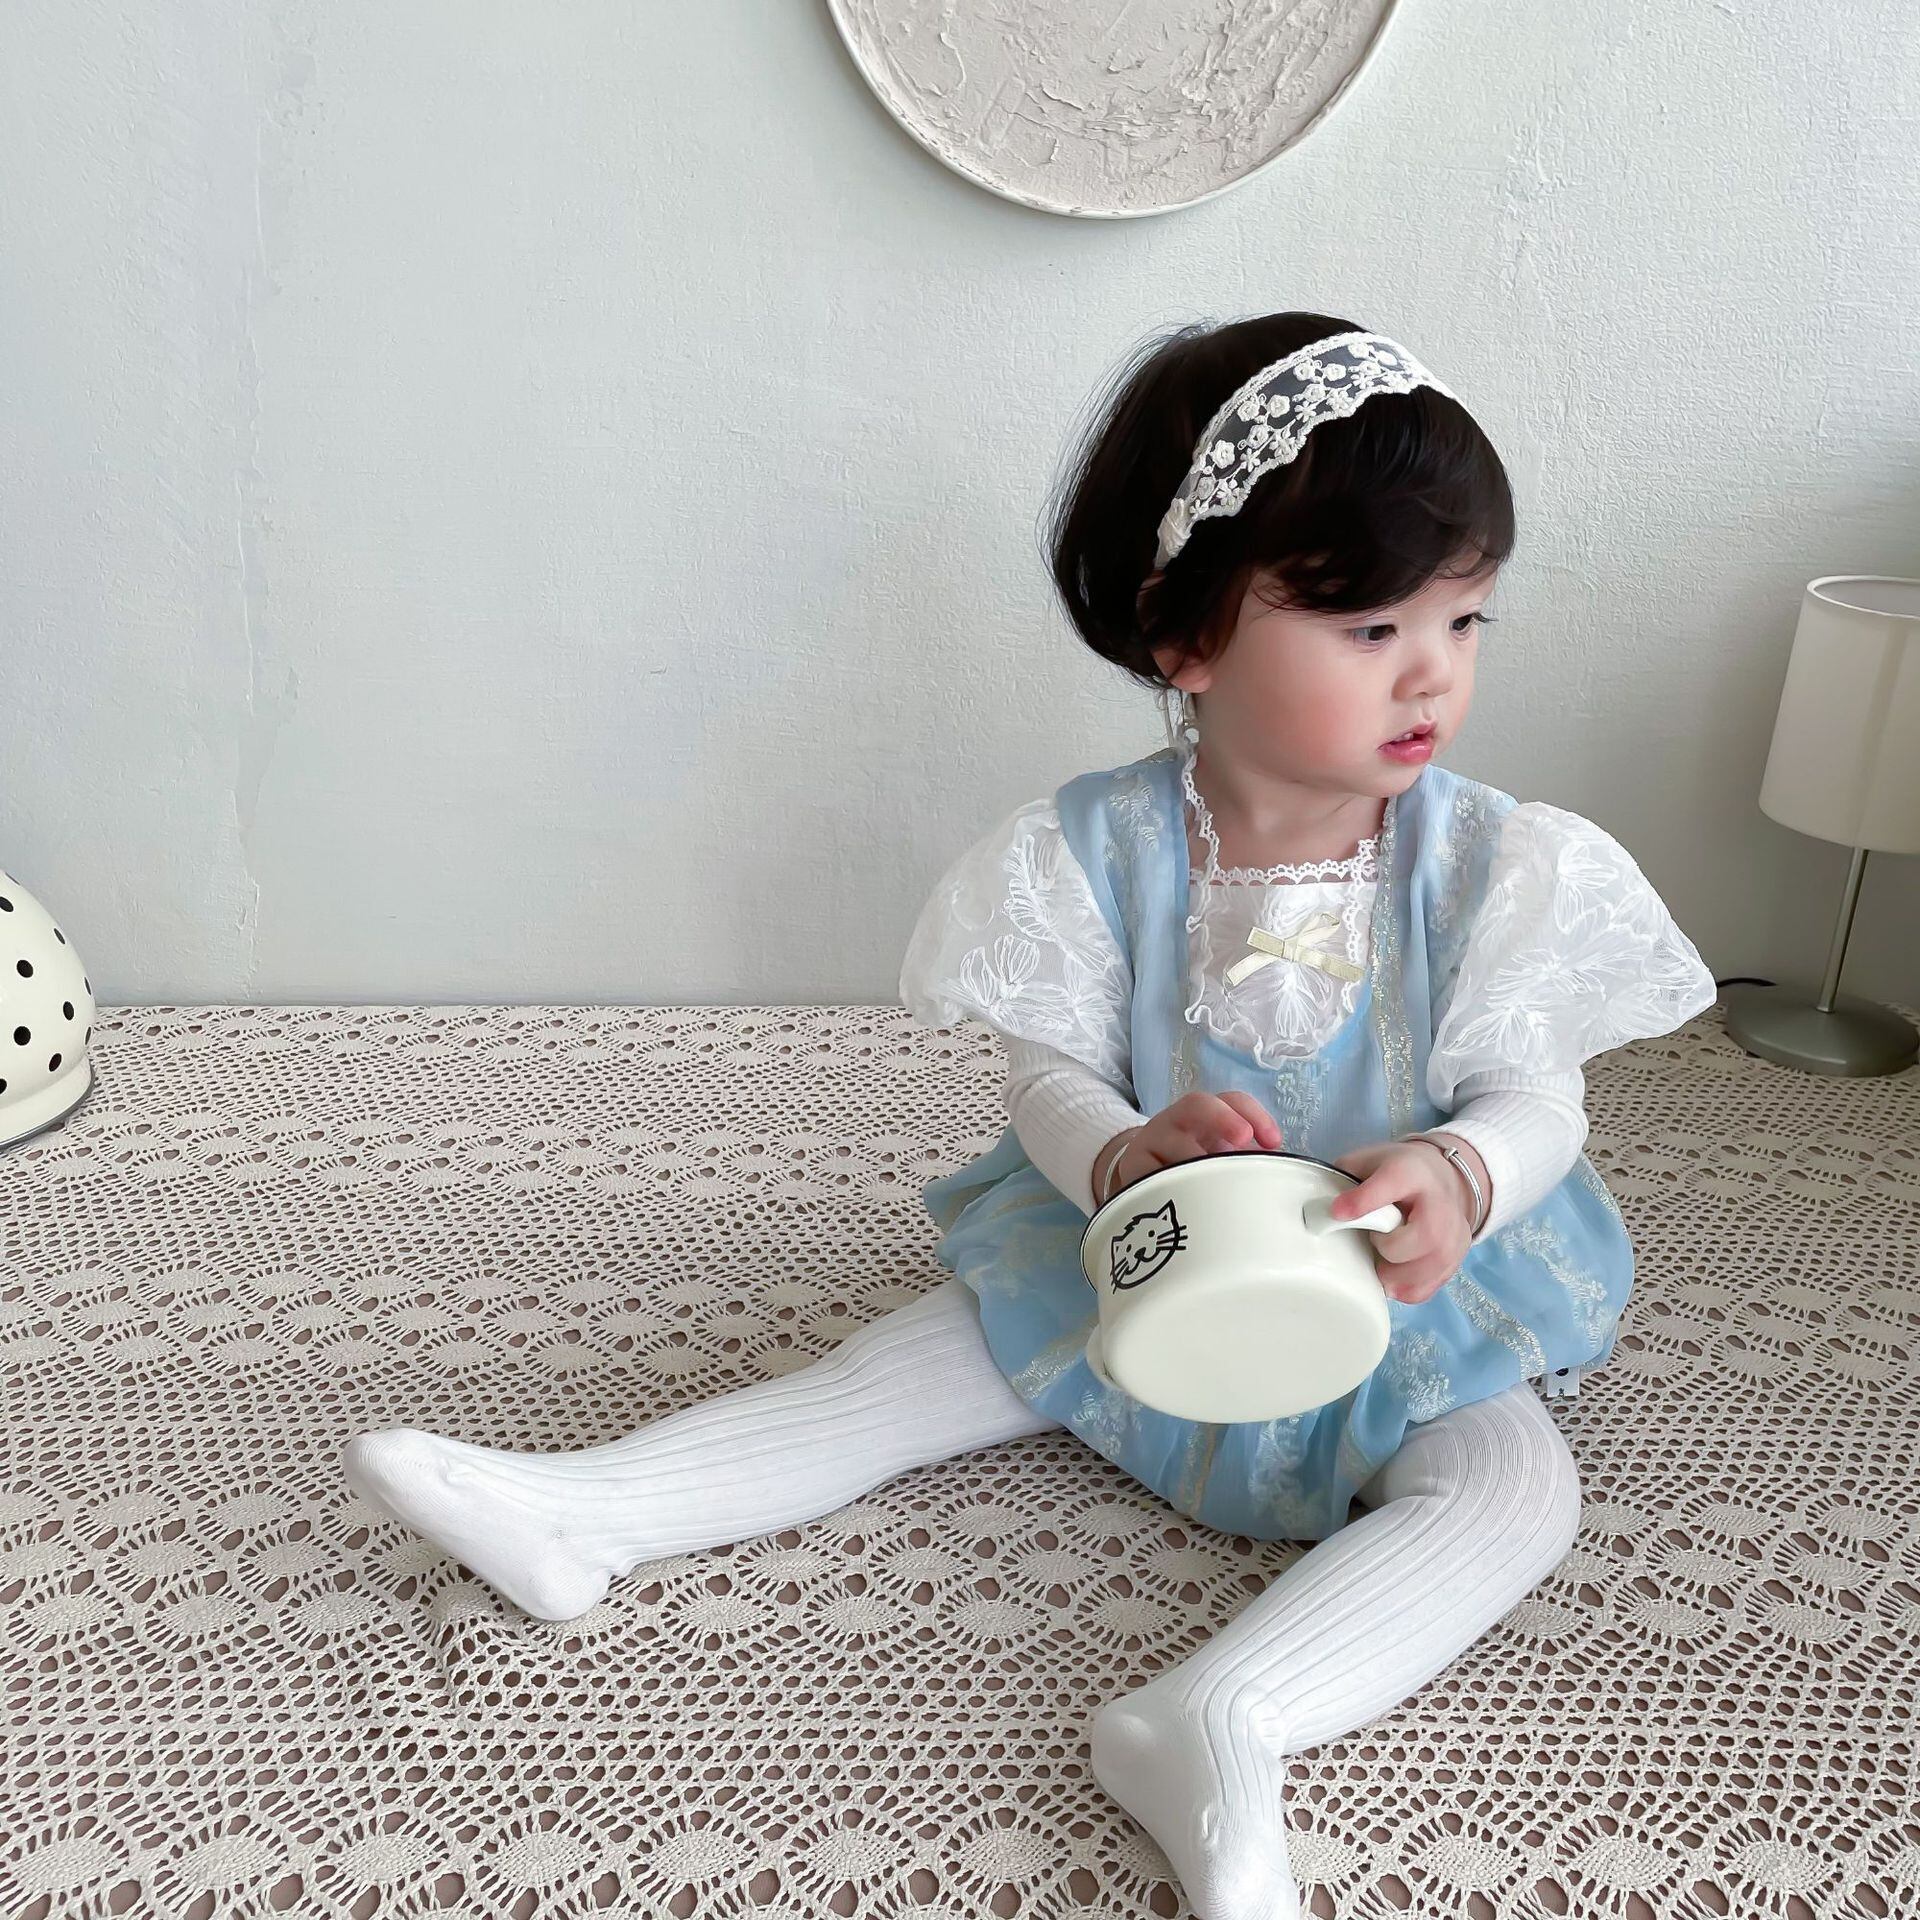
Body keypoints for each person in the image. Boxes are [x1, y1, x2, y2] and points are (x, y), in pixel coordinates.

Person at [344, 315, 1717, 1920]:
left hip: (1407, 1294)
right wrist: (1121, 1154)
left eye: (1465, 617)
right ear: (1184, 637)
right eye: (1368, 625)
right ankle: (593, 1509)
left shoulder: (1492, 863)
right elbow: (1048, 1074)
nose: (1435, 672)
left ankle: (1222, 1721)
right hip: (1135, 1254)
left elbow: (1538, 1092)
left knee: (1509, 1493)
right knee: (907, 1367)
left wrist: (1466, 1172)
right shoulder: (1095, 850)